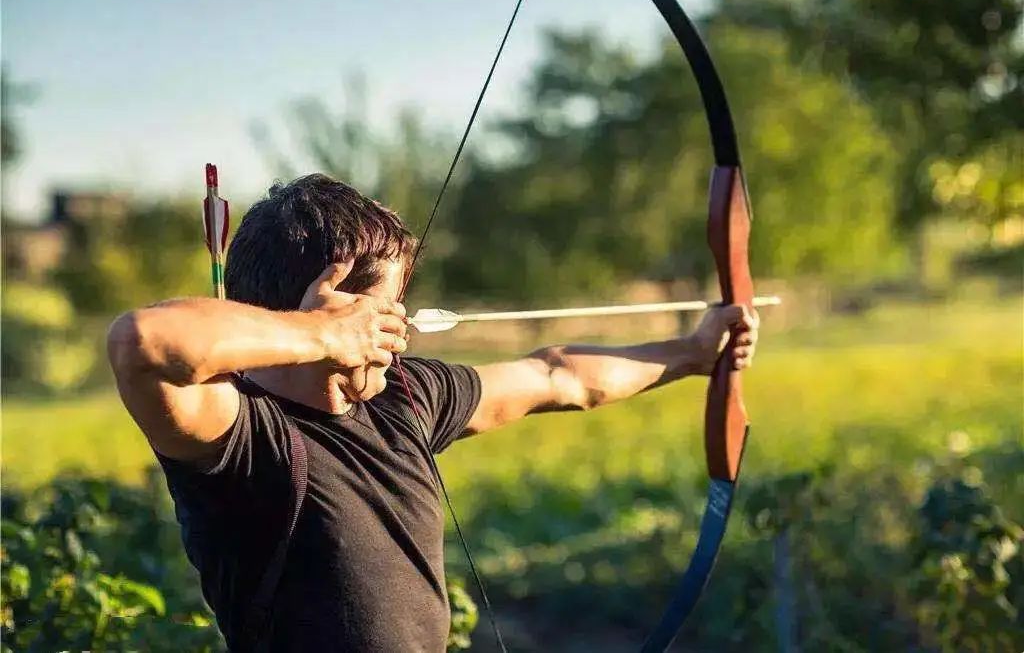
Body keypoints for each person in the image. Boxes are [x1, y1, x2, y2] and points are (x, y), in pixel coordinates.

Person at [107, 173, 758, 652]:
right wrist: (320, 338)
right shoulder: (243, 437)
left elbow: (560, 376)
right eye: (389, 309)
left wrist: (695, 353)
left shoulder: (403, 398)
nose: (402, 329)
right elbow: (142, 342)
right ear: (338, 307)